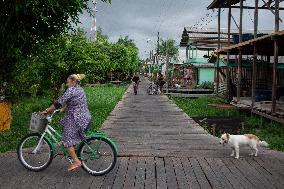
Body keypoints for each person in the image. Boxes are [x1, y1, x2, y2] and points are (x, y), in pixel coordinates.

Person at [42, 74, 91, 171]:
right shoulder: (80, 89)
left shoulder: (71, 90)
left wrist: (47, 110)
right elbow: (75, 102)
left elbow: (58, 103)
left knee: (66, 140)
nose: (67, 84)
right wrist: (64, 109)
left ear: (73, 81)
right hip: (84, 117)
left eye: (68, 82)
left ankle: (76, 161)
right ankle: (74, 151)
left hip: (76, 119)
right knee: (67, 130)